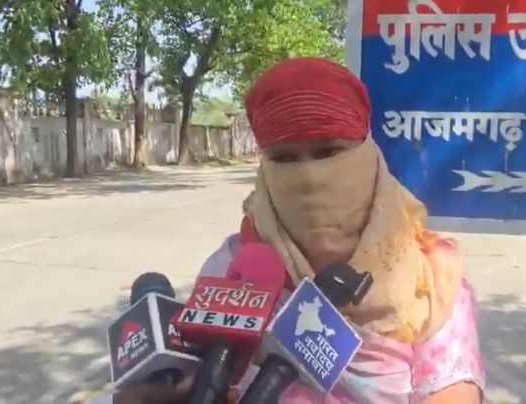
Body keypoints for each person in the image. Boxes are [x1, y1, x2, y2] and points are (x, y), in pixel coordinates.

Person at [99, 57, 484, 403]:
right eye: (284, 158)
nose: (310, 177)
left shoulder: (433, 280)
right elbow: (195, 377)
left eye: (328, 151)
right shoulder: (232, 269)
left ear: (367, 154)